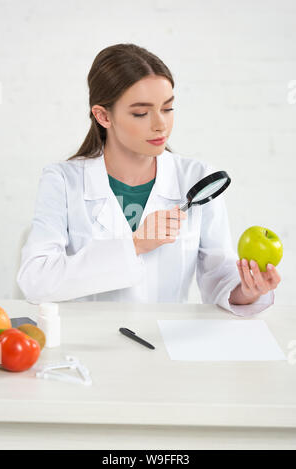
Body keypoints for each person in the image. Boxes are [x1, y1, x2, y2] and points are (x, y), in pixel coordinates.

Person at [16, 43, 281, 316]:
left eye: (167, 109)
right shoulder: (62, 180)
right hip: (89, 346)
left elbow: (219, 278)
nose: (160, 124)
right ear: (103, 115)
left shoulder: (197, 179)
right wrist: (135, 245)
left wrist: (247, 290)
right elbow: (36, 282)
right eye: (141, 113)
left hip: (165, 343)